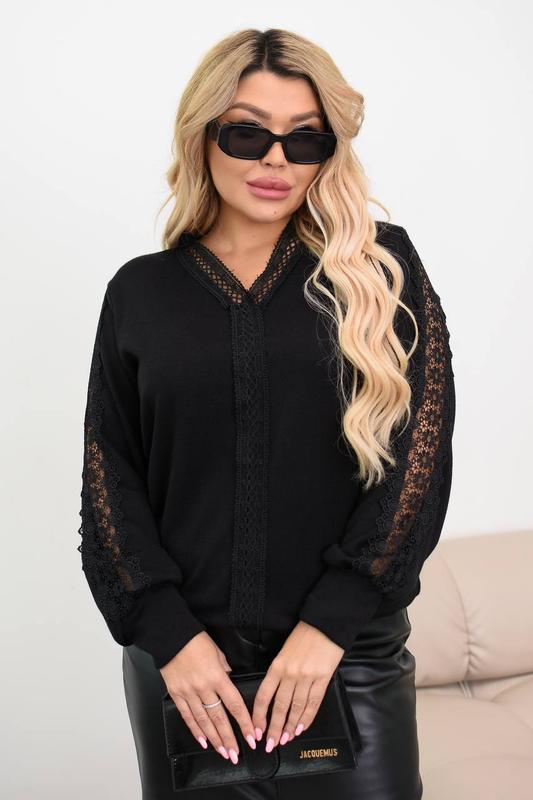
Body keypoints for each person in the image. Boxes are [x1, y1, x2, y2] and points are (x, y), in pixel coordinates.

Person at [77, 26, 455, 800]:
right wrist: (170, 639)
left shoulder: (378, 267)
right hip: (187, 674)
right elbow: (109, 480)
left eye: (304, 138)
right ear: (203, 135)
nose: (274, 160)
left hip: (343, 659)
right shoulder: (140, 292)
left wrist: (328, 626)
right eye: (247, 134)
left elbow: (418, 460)